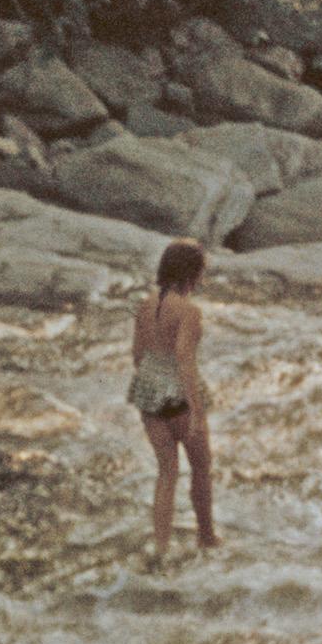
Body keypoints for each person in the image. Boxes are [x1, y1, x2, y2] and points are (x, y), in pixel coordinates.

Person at [126, 239, 216, 561]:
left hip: (148, 390)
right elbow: (185, 360)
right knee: (202, 466)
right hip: (177, 392)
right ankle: (206, 537)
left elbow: (137, 355)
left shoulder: (146, 304)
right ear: (192, 273)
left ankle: (160, 548)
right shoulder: (189, 311)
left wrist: (153, 384)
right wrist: (194, 408)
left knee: (167, 471)